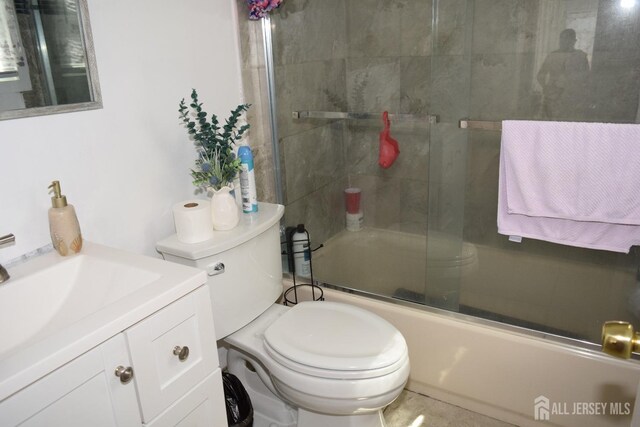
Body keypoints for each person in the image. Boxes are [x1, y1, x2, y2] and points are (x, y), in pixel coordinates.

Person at [537, 29, 590, 119]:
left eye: (568, 39)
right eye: (562, 39)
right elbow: (540, 75)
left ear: (574, 41)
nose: (564, 41)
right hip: (553, 98)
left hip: (572, 99)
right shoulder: (552, 56)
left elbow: (586, 77)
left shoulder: (580, 56)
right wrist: (546, 88)